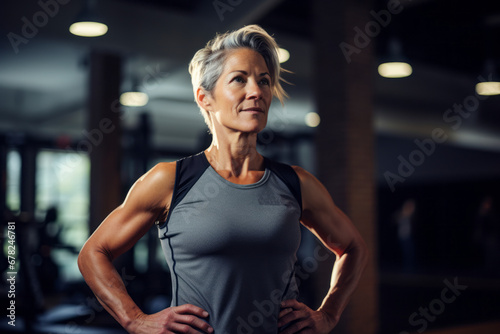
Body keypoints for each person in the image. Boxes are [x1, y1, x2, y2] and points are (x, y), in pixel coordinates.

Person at [78, 24, 368, 334]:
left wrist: (328, 315)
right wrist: (134, 319)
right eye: (239, 79)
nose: (256, 91)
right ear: (205, 97)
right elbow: (92, 254)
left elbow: (353, 247)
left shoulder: (297, 183)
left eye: (264, 81)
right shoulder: (170, 180)